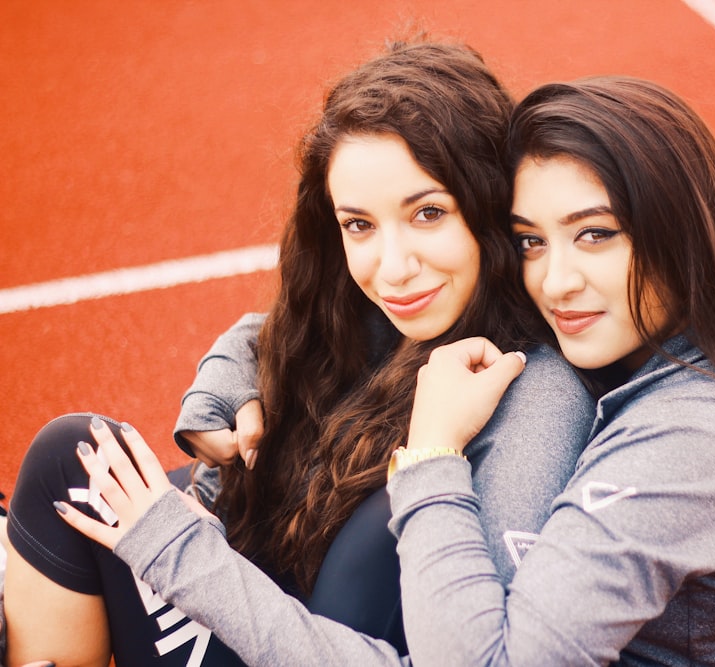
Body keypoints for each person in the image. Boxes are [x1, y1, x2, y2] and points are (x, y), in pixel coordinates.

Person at [2, 41, 593, 666]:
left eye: (428, 213)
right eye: (359, 225)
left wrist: (178, 550)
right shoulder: (394, 315)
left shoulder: (538, 400)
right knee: (92, 468)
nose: (391, 268)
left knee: (73, 463)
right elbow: (273, 333)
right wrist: (225, 381)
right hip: (270, 609)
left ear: (488, 203)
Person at [387, 77, 715, 666]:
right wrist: (237, 374)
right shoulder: (671, 351)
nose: (555, 281)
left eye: (595, 234)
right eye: (532, 241)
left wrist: (431, 457)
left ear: (680, 233)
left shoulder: (703, 440)